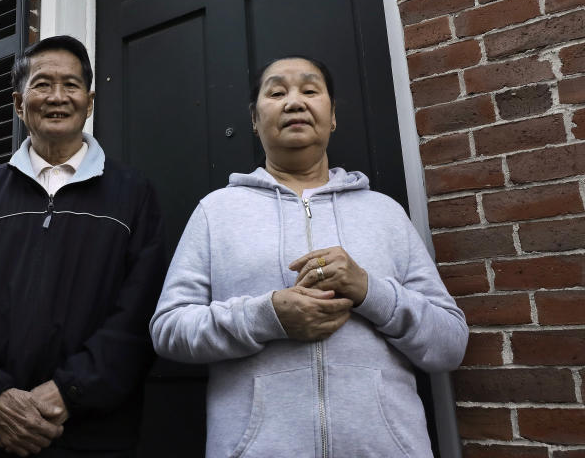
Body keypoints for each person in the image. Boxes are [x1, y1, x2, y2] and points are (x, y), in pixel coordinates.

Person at [150, 56, 468, 458]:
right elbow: (169, 329)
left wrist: (369, 291)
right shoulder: (217, 212)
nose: (294, 102)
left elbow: (450, 343)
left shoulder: (385, 213)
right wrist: (267, 316)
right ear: (254, 118)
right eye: (277, 92)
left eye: (310, 90)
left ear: (332, 115)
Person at [0, 36, 166, 458]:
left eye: (71, 85)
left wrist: (68, 390)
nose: (57, 97)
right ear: (19, 104)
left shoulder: (132, 194)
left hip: (94, 435)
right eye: (42, 84)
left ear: (90, 102)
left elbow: (139, 310)